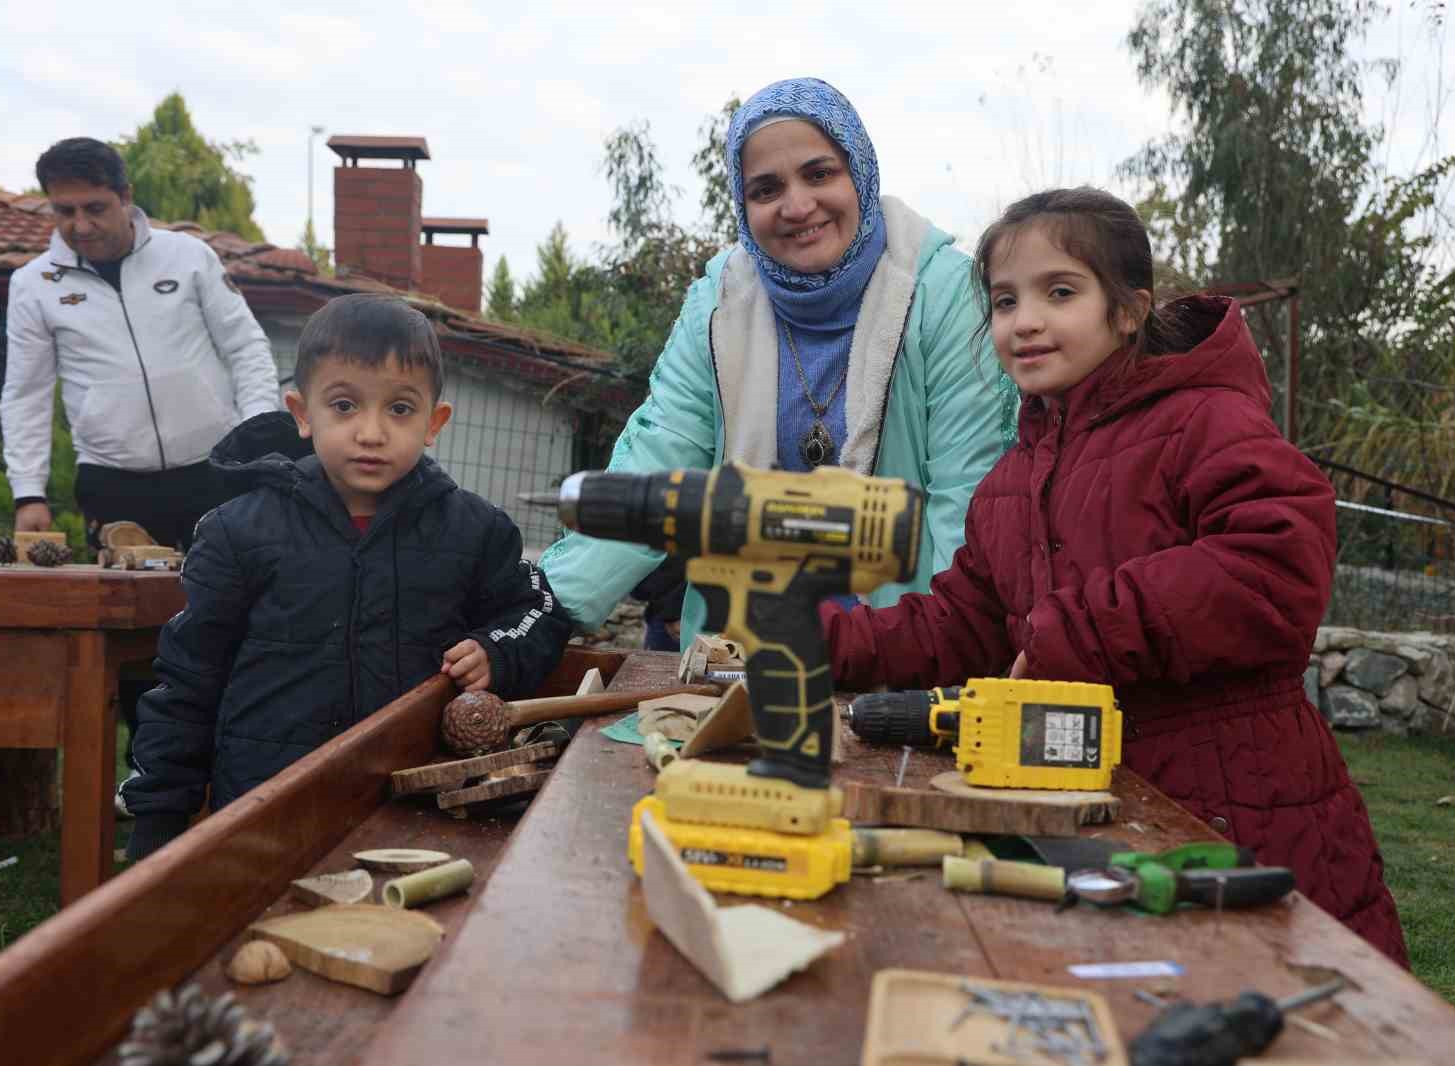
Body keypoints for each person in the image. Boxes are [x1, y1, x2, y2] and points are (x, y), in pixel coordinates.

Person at [823, 187, 1408, 966]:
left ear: (1128, 311)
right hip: (1094, 803)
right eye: (1004, 300)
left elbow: (1273, 568)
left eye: (1058, 292)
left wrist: (1081, 631)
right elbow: (959, 622)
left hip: (1235, 805)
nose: (1024, 320)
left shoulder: (1207, 421)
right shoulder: (1011, 479)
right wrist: (823, 639)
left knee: (1291, 1021)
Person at [540, 78, 1019, 645]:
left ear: (859, 172)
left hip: (906, 642)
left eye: (819, 174)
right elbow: (656, 460)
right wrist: (549, 607)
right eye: (766, 190)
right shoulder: (720, 303)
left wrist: (925, 649)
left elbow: (967, 495)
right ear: (743, 207)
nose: (797, 207)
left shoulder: (944, 292)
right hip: (741, 647)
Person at [122, 294, 572, 859]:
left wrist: (496, 650)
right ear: (303, 413)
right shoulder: (237, 532)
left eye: (400, 410)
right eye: (344, 405)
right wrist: (161, 810)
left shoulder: (476, 532)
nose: (371, 432)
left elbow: (540, 612)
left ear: (435, 422)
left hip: (419, 805)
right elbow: (188, 679)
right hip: (266, 810)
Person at [1, 136, 282, 552]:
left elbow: (246, 347)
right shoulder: (32, 285)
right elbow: (26, 393)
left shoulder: (189, 256)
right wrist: (28, 492)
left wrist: (254, 439)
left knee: (231, 609)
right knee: (122, 613)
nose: (80, 225)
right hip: (111, 482)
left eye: (95, 208)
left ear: (126, 197)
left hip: (215, 469)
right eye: (65, 211)